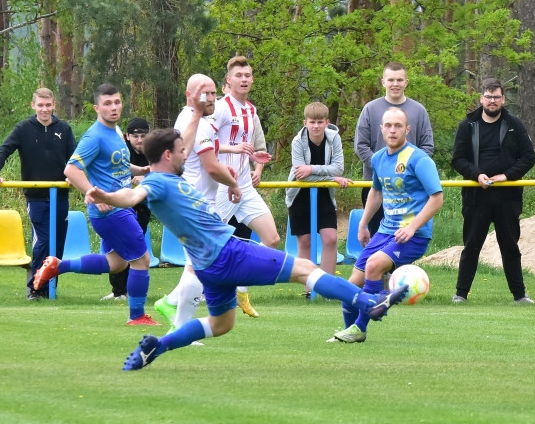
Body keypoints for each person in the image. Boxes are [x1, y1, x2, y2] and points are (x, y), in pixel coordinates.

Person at [84, 114, 408, 371]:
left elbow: (160, 169)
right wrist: (109, 197)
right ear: (168, 155)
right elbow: (133, 195)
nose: (187, 155)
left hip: (208, 267)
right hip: (228, 253)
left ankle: (160, 345)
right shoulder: (157, 183)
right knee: (304, 268)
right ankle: (370, 303)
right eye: (182, 151)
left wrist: (198, 116)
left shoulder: (168, 178)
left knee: (220, 324)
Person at [32, 83, 157, 326]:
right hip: (111, 211)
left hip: (119, 207)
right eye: (108, 103)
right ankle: (137, 316)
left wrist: (139, 169)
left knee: (117, 263)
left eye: (117, 102)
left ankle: (58, 265)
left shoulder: (116, 132)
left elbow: (116, 164)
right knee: (141, 259)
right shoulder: (95, 136)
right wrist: (93, 192)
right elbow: (71, 169)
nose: (114, 107)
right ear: (97, 107)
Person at [331, 107, 443, 343]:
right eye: (388, 126)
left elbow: (437, 198)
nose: (393, 130)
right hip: (384, 232)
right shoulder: (378, 158)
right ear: (381, 129)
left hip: (412, 235)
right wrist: (362, 224)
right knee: (350, 289)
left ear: (407, 129)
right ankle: (350, 330)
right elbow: (376, 191)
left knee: (373, 265)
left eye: (398, 126)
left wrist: (412, 227)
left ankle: (362, 325)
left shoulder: (419, 159)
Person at [153, 74, 235, 339]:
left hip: (201, 201)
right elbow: (210, 168)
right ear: (190, 94)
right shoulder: (193, 121)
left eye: (214, 93)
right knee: (200, 267)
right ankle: (179, 327)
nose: (211, 99)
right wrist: (233, 183)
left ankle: (173, 304)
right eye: (205, 93)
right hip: (196, 203)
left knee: (199, 266)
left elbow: (208, 162)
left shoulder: (200, 120)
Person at [450, 77, 535, 305]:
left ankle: (520, 296)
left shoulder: (514, 125)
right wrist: (476, 174)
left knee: (510, 247)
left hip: (507, 196)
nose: (492, 101)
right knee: (471, 247)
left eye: (496, 97)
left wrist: (507, 176)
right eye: (488, 97)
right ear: (481, 98)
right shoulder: (468, 125)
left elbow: (529, 157)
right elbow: (457, 159)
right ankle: (460, 294)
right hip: (476, 197)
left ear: (503, 99)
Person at [0, 87, 76, 300]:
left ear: (54, 105)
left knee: (58, 244)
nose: (44, 109)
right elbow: (4, 149)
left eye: (48, 105)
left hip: (60, 195)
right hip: (36, 196)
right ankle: (35, 288)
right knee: (43, 240)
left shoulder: (63, 129)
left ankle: (49, 288)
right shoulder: (24, 128)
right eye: (40, 105)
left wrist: (73, 176)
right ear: (33, 106)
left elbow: (75, 157)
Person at [211, 55, 277, 318]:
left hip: (243, 186)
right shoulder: (220, 108)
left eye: (248, 75)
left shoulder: (251, 110)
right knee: (209, 245)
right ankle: (195, 295)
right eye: (239, 75)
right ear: (228, 80)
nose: (244, 79)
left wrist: (254, 159)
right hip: (219, 185)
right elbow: (204, 143)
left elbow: (249, 147)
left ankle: (241, 287)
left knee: (271, 239)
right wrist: (233, 148)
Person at [354, 62, 434, 235]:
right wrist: (384, 168)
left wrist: (408, 170)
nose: (395, 84)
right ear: (383, 82)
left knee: (403, 240)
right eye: (391, 80)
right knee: (377, 238)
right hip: (375, 185)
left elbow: (427, 147)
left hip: (409, 188)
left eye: (399, 80)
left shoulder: (419, 111)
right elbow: (360, 146)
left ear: (406, 82)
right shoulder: (370, 109)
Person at [285, 102, 351, 274]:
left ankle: (327, 286)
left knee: (330, 238)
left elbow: (338, 168)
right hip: (299, 193)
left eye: (320, 122)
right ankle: (308, 287)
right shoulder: (297, 141)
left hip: (324, 193)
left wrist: (312, 169)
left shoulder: (334, 138)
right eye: (312, 122)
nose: (316, 126)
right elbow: (300, 174)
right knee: (305, 241)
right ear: (305, 122)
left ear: (327, 122)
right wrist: (332, 177)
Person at [102, 117, 152, 301]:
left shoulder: (154, 152)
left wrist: (145, 179)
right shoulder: (121, 151)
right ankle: (118, 291)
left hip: (141, 209)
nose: (140, 140)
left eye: (143, 135)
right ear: (127, 137)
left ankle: (129, 291)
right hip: (117, 209)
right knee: (115, 249)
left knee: (135, 251)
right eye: (136, 136)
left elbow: (166, 171)